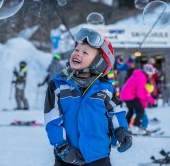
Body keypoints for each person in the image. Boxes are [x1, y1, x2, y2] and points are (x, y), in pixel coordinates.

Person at [44, 28, 132, 166]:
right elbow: (52, 119)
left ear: (99, 62)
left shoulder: (106, 89)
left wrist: (121, 131)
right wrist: (62, 147)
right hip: (67, 157)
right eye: (77, 50)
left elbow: (116, 112)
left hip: (98, 156)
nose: (77, 54)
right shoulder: (58, 85)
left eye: (85, 52)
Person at [120, 63, 156, 135]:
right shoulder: (142, 77)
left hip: (125, 95)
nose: (152, 75)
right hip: (129, 96)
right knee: (140, 110)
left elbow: (143, 90)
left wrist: (151, 100)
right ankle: (136, 127)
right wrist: (143, 100)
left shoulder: (140, 75)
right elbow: (139, 93)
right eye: (151, 73)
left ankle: (125, 127)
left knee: (131, 111)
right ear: (147, 72)